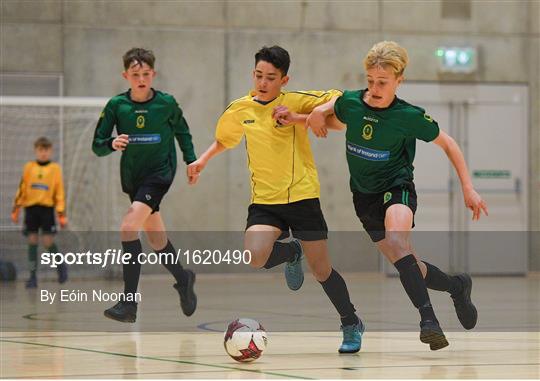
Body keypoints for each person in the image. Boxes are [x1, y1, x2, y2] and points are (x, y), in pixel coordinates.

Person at [296, 41, 488, 350]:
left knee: (398, 242)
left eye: (382, 82)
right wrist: (311, 115)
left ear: (399, 81)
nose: (374, 88)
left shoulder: (409, 116)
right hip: (364, 197)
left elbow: (449, 144)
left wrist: (468, 187)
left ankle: (429, 321)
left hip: (396, 188)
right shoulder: (353, 102)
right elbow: (336, 116)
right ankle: (457, 286)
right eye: (370, 81)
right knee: (408, 262)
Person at [187, 45, 364, 353]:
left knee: (321, 270)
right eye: (258, 75)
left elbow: (344, 100)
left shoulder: (296, 101)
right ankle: (290, 252)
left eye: (271, 77)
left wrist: (315, 113)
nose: (263, 82)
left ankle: (351, 322)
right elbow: (224, 139)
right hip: (265, 202)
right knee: (254, 256)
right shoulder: (239, 109)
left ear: (284, 79)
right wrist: (202, 161)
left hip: (303, 198)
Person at [92, 48, 197, 323]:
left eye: (146, 74)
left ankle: (129, 304)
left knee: (128, 227)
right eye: (135, 74)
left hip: (160, 173)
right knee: (155, 239)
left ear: (154, 74)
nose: (141, 79)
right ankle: (184, 279)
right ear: (125, 75)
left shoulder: (166, 103)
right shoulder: (117, 106)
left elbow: (183, 132)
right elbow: (97, 145)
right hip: (133, 178)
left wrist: (191, 161)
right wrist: (111, 144)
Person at [11, 137, 68, 288]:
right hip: (31, 209)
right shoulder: (29, 167)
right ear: (36, 151)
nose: (43, 153)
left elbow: (59, 192)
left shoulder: (55, 169)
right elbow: (22, 188)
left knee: (48, 241)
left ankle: (61, 266)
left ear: (51, 151)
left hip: (47, 209)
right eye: (40, 150)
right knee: (32, 240)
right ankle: (32, 277)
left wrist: (61, 213)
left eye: (46, 150)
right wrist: (16, 208)